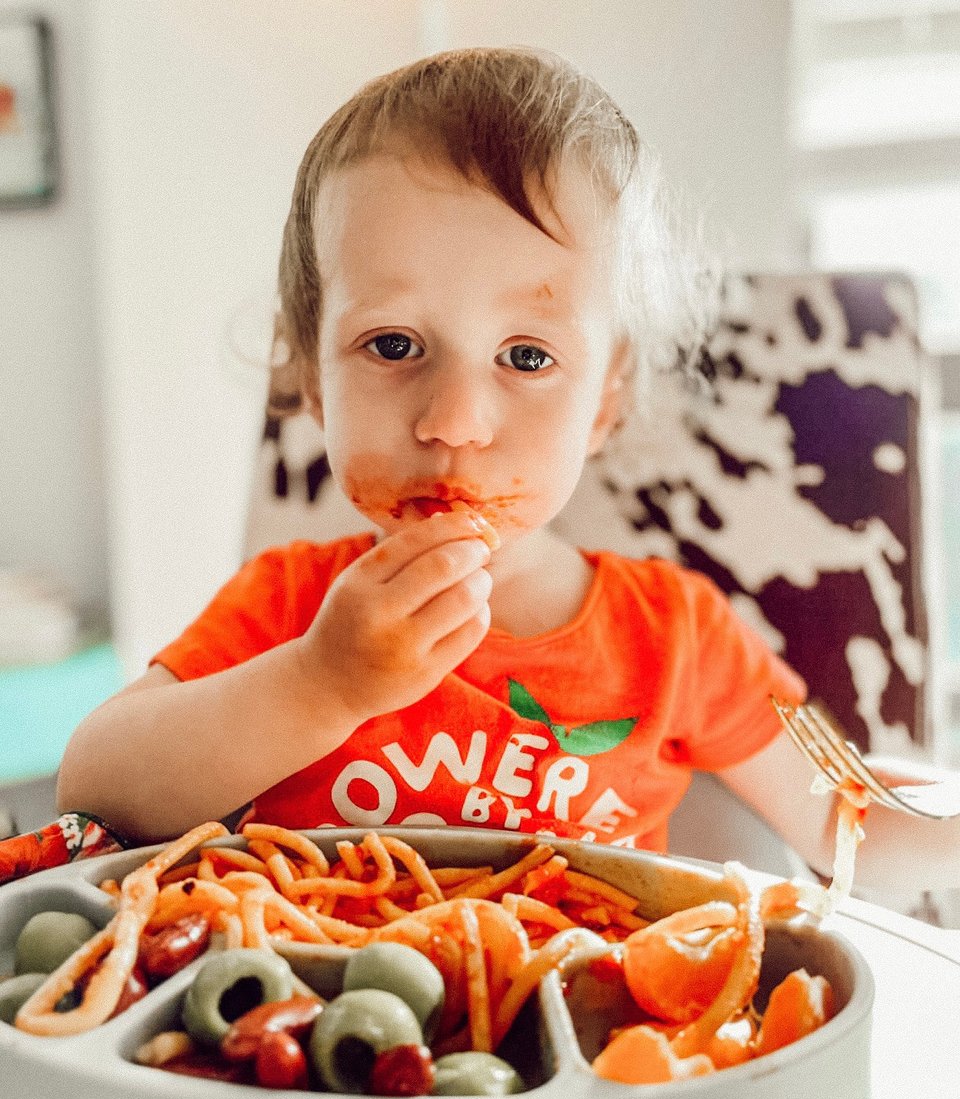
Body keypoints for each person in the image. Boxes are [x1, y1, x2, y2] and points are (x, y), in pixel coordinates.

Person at [57, 46, 960, 892]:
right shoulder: (289, 609)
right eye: (393, 344)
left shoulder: (677, 635)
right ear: (315, 381)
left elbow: (849, 820)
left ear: (604, 399)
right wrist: (320, 685)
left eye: (527, 357)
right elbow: (94, 784)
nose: (454, 421)